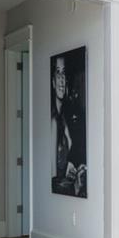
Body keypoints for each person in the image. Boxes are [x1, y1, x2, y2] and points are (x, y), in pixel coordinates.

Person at [51, 52, 87, 197]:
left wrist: (79, 168)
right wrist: (74, 187)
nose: (61, 79)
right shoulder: (53, 122)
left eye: (64, 73)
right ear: (53, 81)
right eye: (58, 73)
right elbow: (52, 180)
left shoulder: (69, 116)